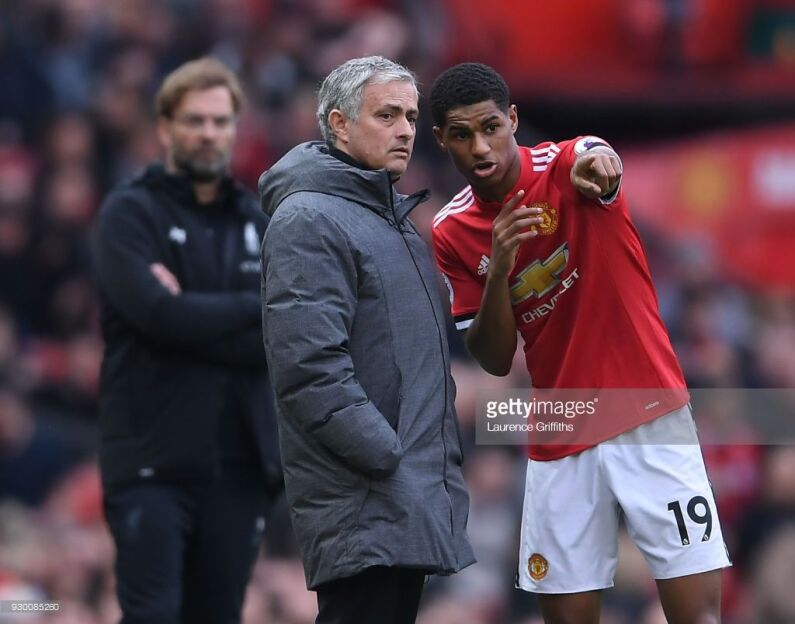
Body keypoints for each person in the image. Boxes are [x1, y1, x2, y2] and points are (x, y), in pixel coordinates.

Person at [429, 62, 731, 624]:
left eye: (491, 127)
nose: (481, 147)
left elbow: (596, 159)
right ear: (441, 140)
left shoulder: (566, 164)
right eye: (462, 135)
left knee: (698, 616)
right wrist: (499, 269)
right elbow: (493, 359)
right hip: (560, 427)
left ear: (512, 119)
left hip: (647, 411)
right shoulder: (451, 231)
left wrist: (603, 170)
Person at [258, 56, 475, 624]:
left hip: (403, 494)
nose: (405, 130)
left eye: (411, 117)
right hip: (368, 495)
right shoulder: (309, 218)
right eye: (387, 115)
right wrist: (387, 455)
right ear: (339, 124)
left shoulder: (391, 220)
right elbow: (309, 369)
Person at [92, 57, 282, 624]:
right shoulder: (129, 213)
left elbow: (280, 337)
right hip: (151, 461)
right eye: (195, 120)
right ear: (165, 127)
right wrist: (250, 307)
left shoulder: (257, 220)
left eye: (220, 121)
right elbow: (156, 315)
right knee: (152, 615)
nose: (208, 133)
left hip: (240, 466)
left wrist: (186, 313)